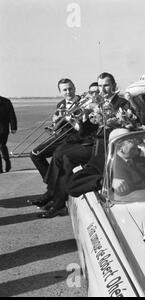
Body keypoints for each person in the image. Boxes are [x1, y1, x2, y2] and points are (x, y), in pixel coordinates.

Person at [36, 73, 136, 218]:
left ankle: (55, 199)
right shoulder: (98, 102)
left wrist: (108, 115)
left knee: (63, 155)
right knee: (63, 157)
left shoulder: (122, 103)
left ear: (114, 86)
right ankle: (56, 200)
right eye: (100, 86)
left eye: (106, 85)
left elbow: (130, 125)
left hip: (111, 147)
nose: (103, 89)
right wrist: (81, 120)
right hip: (96, 143)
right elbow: (85, 132)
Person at [30, 78, 80, 180]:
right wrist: (56, 121)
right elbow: (58, 126)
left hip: (76, 137)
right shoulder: (60, 104)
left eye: (70, 89)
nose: (68, 92)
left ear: (74, 88)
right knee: (35, 154)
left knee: (59, 158)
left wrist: (71, 119)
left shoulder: (82, 101)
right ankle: (51, 181)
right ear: (60, 92)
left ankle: (55, 185)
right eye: (64, 90)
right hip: (62, 136)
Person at [0, 96, 17, 173]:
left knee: (2, 146)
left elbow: (12, 115)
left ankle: (7, 161)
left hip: (3, 129)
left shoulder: (6, 101)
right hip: (3, 129)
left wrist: (13, 127)